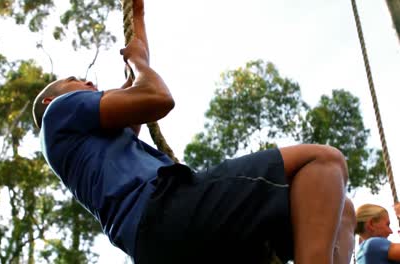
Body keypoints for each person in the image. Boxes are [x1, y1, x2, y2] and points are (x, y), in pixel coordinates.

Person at [32, 0, 356, 263]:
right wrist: (140, 65)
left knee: (341, 209)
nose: (88, 83)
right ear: (51, 98)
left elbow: (133, 88)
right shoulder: (58, 112)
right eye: (75, 80)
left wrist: (138, 17)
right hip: (165, 213)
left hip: (157, 245)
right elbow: (155, 97)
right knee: (322, 162)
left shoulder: (90, 144)